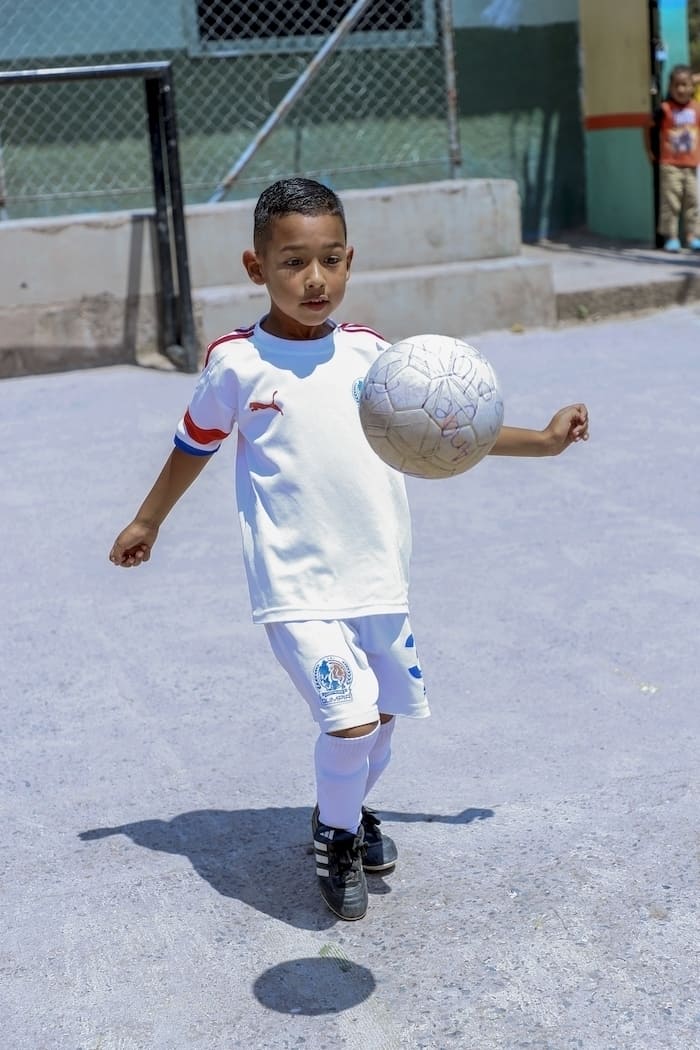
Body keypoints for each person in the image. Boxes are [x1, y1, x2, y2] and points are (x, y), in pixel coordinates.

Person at [109, 177, 589, 922]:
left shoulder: (374, 356)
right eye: (294, 262)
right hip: (296, 586)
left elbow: (451, 430)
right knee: (350, 720)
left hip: (378, 582)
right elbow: (192, 444)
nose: (315, 279)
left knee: (384, 718)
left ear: (350, 260)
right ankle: (335, 838)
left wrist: (546, 443)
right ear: (255, 267)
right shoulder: (238, 364)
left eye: (331, 260)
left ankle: (346, 811)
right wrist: (149, 521)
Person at [646, 64, 700, 252]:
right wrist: (651, 151)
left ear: (692, 87)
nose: (681, 89)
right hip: (670, 165)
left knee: (692, 201)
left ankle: (692, 236)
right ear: (670, 88)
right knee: (671, 202)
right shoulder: (665, 109)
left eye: (685, 85)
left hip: (692, 164)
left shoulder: (696, 109)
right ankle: (671, 237)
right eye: (677, 85)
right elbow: (649, 127)